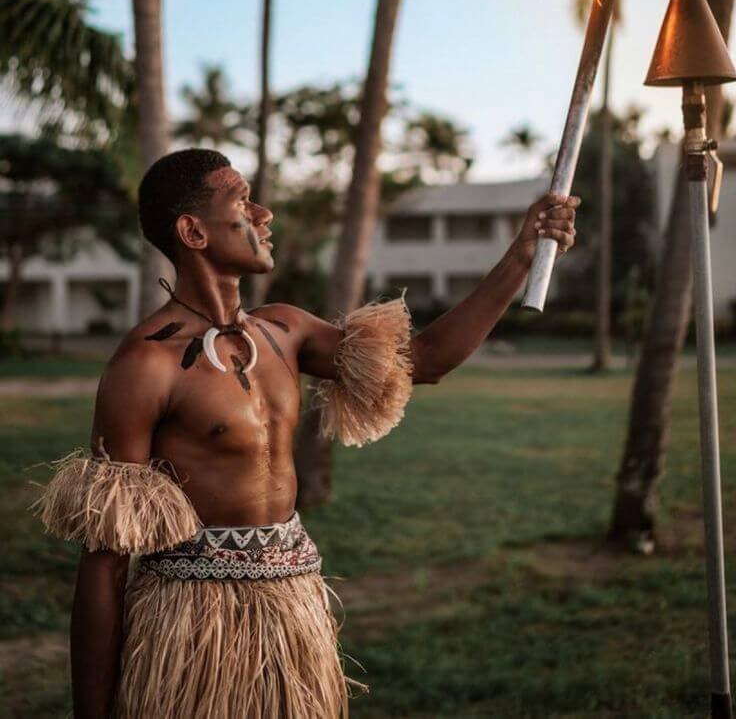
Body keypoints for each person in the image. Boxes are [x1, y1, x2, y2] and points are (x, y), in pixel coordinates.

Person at [33, 148, 578, 719]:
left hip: (292, 611)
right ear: (192, 231)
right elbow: (104, 564)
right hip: (192, 627)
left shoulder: (284, 331)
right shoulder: (146, 365)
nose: (265, 214)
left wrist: (520, 257)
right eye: (243, 200)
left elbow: (425, 360)